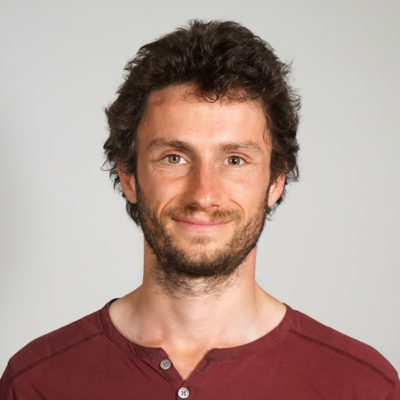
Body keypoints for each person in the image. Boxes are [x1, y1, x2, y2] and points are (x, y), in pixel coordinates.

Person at [0, 19, 399, 399]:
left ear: (276, 180)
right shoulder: (36, 383)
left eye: (235, 160)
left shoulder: (362, 387)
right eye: (174, 158)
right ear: (129, 175)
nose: (204, 194)